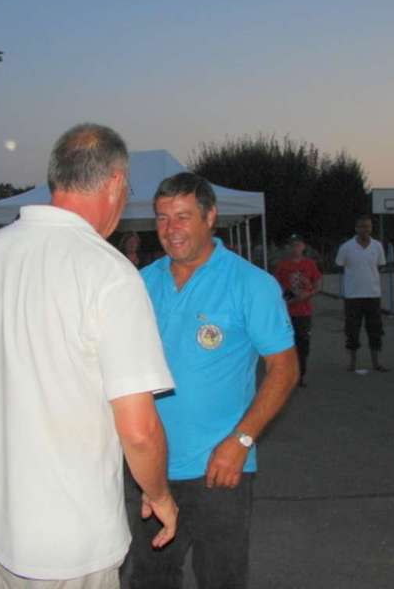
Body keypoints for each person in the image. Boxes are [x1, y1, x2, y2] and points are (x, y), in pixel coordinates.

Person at [0, 123, 177, 587]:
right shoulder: (109, 273)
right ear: (116, 183)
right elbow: (139, 430)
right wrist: (159, 495)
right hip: (73, 541)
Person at [128, 172, 298, 589]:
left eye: (183, 216)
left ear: (210, 217)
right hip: (149, 467)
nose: (171, 229)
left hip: (218, 470)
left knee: (220, 579)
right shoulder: (140, 283)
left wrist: (241, 441)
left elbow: (285, 369)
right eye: (162, 218)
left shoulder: (250, 284)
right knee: (150, 578)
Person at [335, 215, 388, 372]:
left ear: (371, 228)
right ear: (356, 228)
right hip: (352, 296)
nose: (365, 230)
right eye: (362, 227)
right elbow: (340, 265)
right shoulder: (346, 247)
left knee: (375, 329)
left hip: (373, 295)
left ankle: (376, 363)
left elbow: (380, 266)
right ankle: (352, 363)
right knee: (352, 330)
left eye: (368, 227)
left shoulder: (377, 246)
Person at [274, 234, 322, 386]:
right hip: (287, 312)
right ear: (288, 247)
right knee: (287, 344)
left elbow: (318, 284)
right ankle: (286, 374)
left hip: (304, 312)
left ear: (303, 247)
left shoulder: (310, 264)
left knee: (303, 344)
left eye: (298, 245)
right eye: (292, 245)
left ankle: (300, 375)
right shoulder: (282, 266)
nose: (295, 248)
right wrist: (288, 298)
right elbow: (275, 286)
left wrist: (307, 295)